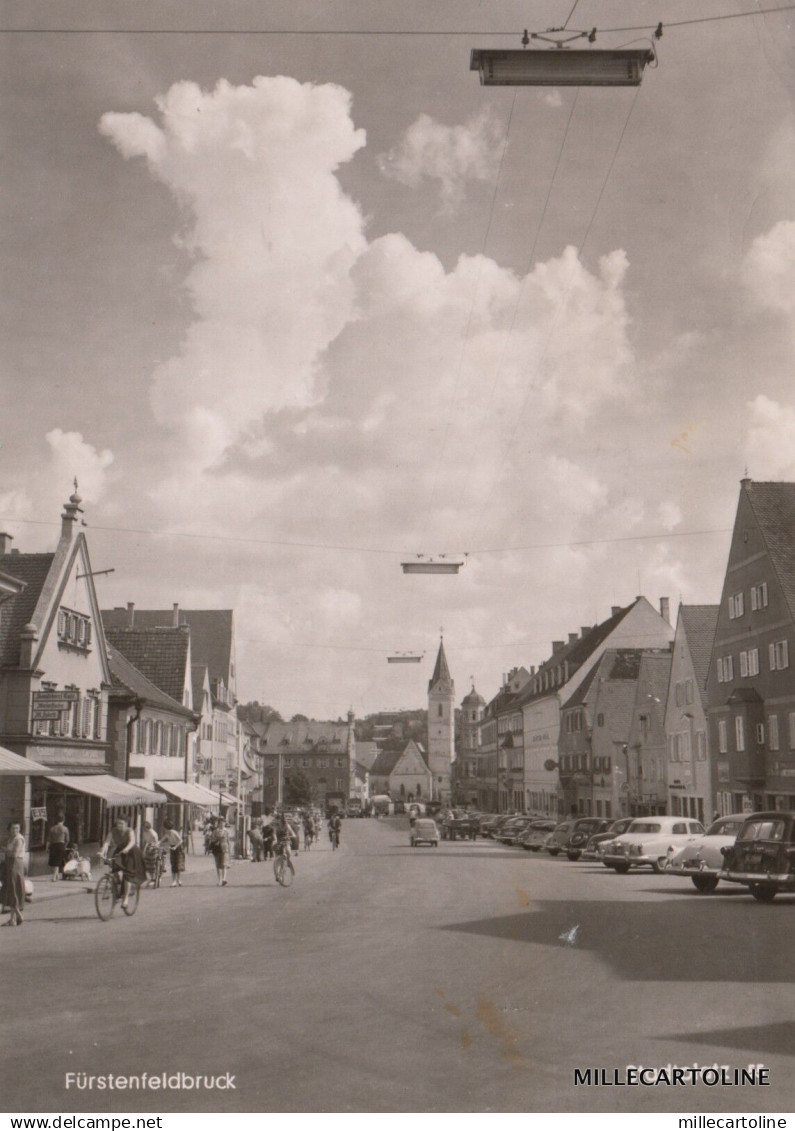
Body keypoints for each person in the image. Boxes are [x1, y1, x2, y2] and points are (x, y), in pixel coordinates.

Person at [100, 816, 146, 909]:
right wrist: (102, 851)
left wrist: (126, 849)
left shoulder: (130, 831)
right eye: (118, 823)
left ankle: (125, 900)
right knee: (115, 870)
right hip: (120, 851)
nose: (119, 825)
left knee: (127, 875)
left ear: (126, 824)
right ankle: (118, 889)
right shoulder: (113, 831)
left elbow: (132, 842)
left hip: (132, 852)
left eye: (121, 824)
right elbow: (107, 842)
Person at [3, 822, 26, 926]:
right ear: (9, 829)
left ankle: (19, 916)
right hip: (9, 864)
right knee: (11, 890)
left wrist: (4, 850)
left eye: (17, 828)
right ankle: (13, 920)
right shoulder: (11, 838)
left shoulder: (19, 839)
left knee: (14, 889)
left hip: (15, 865)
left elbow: (15, 854)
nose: (15, 830)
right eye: (13, 828)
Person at [159, 820, 185, 887]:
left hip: (178, 848)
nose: (163, 828)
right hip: (172, 848)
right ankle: (173, 881)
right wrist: (156, 844)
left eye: (164, 827)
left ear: (166, 827)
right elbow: (161, 840)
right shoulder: (167, 833)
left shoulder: (174, 832)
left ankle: (179, 880)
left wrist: (175, 847)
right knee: (173, 864)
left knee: (178, 865)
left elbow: (181, 840)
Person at [46, 811, 70, 881]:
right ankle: (54, 877)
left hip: (53, 845)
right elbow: (67, 839)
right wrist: (65, 846)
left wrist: (47, 848)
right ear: (63, 820)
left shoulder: (52, 828)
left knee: (54, 861)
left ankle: (56, 876)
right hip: (61, 845)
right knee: (58, 861)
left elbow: (48, 839)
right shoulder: (65, 828)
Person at [209, 816, 230, 886]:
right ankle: (219, 880)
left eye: (223, 823)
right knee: (218, 865)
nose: (222, 824)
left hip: (224, 849)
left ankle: (224, 879)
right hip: (217, 849)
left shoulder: (226, 831)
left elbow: (228, 841)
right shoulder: (215, 831)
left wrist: (229, 850)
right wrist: (216, 841)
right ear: (218, 824)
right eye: (221, 823)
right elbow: (212, 839)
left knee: (224, 864)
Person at [275, 813, 296, 878]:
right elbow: (274, 834)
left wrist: (290, 836)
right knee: (278, 858)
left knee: (288, 854)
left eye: (284, 820)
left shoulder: (287, 826)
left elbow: (293, 834)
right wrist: (275, 839)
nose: (283, 821)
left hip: (286, 842)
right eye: (282, 819)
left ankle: (287, 864)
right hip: (279, 842)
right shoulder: (278, 826)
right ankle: (277, 873)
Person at [140, 820, 160, 886]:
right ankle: (151, 877)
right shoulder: (144, 832)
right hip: (147, 847)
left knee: (152, 862)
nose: (143, 829)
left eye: (144, 828)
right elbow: (144, 842)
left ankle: (154, 878)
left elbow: (155, 842)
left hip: (153, 848)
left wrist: (151, 847)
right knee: (145, 863)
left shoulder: (152, 833)